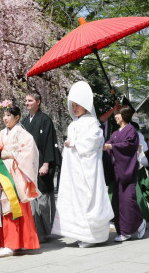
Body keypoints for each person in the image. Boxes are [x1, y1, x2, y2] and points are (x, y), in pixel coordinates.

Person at [51, 81, 114, 247]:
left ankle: (93, 236)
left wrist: (74, 144)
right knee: (75, 200)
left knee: (89, 199)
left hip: (88, 169)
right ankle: (80, 233)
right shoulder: (73, 124)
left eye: (78, 105)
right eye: (73, 105)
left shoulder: (92, 123)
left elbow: (94, 142)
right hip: (74, 171)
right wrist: (69, 145)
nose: (75, 108)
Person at [0, 101, 40, 258]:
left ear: (17, 117)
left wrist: (11, 155)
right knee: (4, 207)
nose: (5, 118)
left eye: (9, 115)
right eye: (4, 115)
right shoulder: (1, 133)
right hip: (2, 173)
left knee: (13, 206)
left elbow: (29, 153)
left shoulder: (23, 134)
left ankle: (13, 244)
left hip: (14, 175)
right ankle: (12, 243)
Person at [103, 107, 146, 242]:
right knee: (117, 201)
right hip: (117, 171)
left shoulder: (131, 130)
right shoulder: (115, 133)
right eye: (115, 114)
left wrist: (112, 147)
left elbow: (128, 146)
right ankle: (129, 226)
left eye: (118, 114)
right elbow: (109, 144)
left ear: (125, 115)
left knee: (128, 200)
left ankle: (131, 228)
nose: (115, 117)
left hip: (127, 169)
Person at [21, 92, 58, 243]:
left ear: (38, 102)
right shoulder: (24, 121)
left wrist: (46, 163)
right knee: (32, 199)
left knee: (43, 199)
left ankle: (47, 232)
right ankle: (36, 231)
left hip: (42, 163)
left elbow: (49, 142)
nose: (27, 103)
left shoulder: (45, 120)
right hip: (29, 164)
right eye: (26, 101)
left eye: (30, 100)